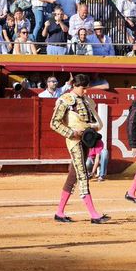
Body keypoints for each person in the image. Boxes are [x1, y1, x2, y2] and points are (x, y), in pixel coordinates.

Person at [50, 74, 110, 224]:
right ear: (75, 86)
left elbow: (94, 121)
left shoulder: (87, 101)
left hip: (86, 140)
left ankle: (59, 212)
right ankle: (94, 214)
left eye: (86, 88)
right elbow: (54, 123)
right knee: (83, 174)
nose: (85, 91)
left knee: (73, 176)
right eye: (83, 88)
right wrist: (71, 133)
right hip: (74, 141)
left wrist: (91, 130)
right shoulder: (66, 100)